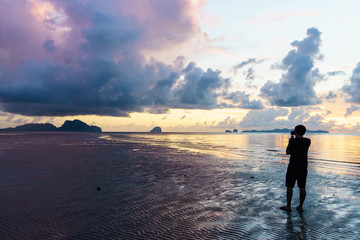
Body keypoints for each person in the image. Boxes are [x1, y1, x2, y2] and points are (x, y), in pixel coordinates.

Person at [280, 125, 311, 212]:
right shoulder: (308, 141)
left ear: (296, 131)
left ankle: (288, 206)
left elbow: (287, 152)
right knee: (302, 187)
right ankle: (300, 206)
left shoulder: (292, 141)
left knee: (289, 186)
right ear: (304, 132)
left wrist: (291, 139)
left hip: (293, 166)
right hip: (303, 167)